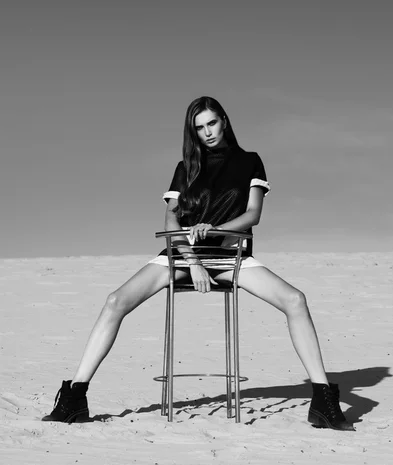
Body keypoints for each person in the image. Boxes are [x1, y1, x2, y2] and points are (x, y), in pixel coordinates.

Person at [42, 96, 354, 431]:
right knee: (115, 301)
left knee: (295, 300)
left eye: (212, 123)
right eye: (199, 127)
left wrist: (216, 229)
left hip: (230, 256)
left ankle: (323, 399)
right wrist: (191, 262)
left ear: (224, 120)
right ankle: (75, 396)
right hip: (182, 255)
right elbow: (171, 219)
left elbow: (253, 215)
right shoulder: (185, 168)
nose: (207, 132)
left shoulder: (249, 161)